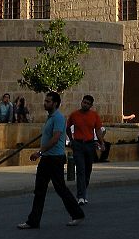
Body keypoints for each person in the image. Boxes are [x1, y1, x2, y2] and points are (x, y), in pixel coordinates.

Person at [17, 91, 85, 229]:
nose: (45, 103)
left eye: (48, 101)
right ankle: (33, 221)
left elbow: (55, 138)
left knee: (60, 188)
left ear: (55, 103)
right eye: (45, 100)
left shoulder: (58, 118)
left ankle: (77, 214)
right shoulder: (50, 118)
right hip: (47, 159)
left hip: (55, 159)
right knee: (39, 190)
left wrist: (39, 152)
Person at [66, 94, 103, 205]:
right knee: (81, 171)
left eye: (87, 103)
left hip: (89, 145)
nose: (85, 104)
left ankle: (83, 191)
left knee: (88, 171)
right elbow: (68, 128)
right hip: (78, 144)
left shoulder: (94, 115)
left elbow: (98, 130)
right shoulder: (74, 115)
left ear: (91, 105)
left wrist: (102, 142)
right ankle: (81, 196)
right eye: (84, 102)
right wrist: (71, 141)